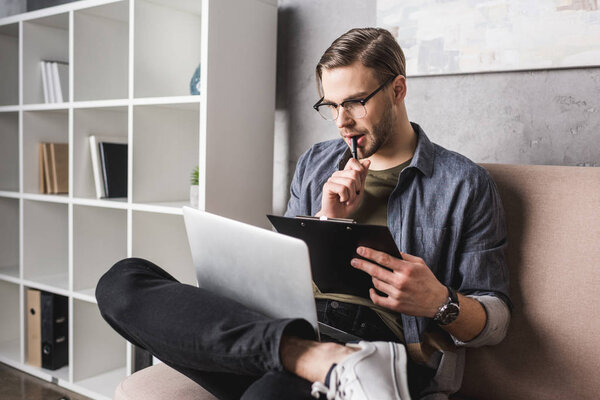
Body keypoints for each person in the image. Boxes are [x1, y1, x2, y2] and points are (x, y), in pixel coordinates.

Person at [96, 28, 511, 400]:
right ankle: (317, 359)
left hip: (385, 352)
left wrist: (440, 301)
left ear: (398, 90)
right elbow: (283, 275)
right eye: (330, 106)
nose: (341, 122)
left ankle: (338, 366)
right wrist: (322, 221)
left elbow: (496, 320)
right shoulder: (316, 163)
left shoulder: (463, 183)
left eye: (354, 103)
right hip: (287, 329)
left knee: (269, 392)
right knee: (121, 281)